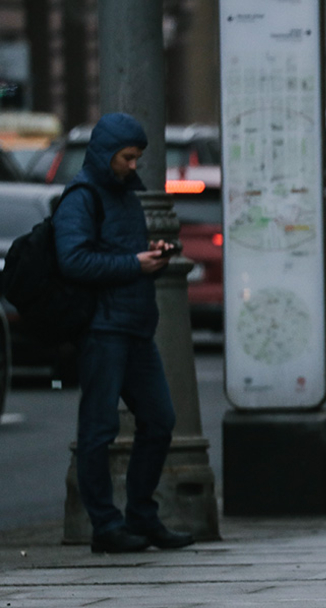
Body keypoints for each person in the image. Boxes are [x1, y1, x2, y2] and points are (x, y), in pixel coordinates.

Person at [55, 112, 194, 554]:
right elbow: (73, 260)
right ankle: (105, 525)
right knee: (98, 428)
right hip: (102, 328)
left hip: (135, 326)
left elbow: (118, 251)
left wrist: (152, 254)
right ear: (104, 155)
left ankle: (141, 515)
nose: (133, 166)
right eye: (127, 157)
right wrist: (135, 263)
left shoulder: (127, 196)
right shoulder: (82, 197)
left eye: (136, 158)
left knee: (159, 421)